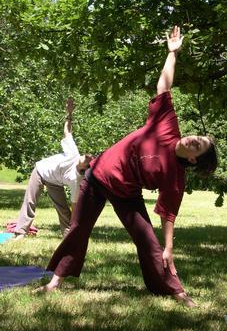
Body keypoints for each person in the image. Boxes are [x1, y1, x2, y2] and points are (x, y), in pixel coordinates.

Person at [36, 26, 217, 307]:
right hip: (97, 176)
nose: (193, 139)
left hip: (126, 193)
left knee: (149, 243)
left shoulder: (175, 176)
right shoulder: (167, 125)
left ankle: (175, 291)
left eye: (198, 145)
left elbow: (168, 214)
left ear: (193, 159)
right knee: (77, 229)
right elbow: (164, 86)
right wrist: (172, 54)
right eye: (198, 137)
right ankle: (55, 281)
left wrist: (169, 246)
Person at [14, 98, 92, 239]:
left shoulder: (76, 181)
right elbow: (67, 132)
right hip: (41, 170)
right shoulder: (73, 153)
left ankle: (69, 236)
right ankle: (20, 232)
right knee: (30, 200)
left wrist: (76, 223)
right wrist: (69, 113)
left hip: (55, 182)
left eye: (87, 159)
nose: (86, 156)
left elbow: (74, 205)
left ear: (85, 168)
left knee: (63, 209)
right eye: (86, 156)